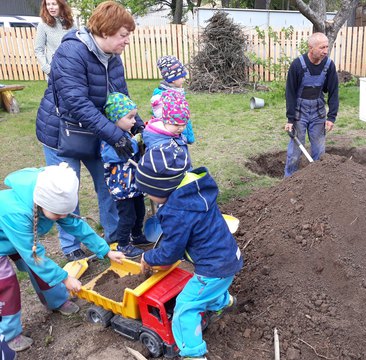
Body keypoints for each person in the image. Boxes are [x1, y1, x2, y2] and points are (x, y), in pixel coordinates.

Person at [35, 1, 144, 262]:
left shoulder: (113, 58)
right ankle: (71, 244)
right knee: (66, 191)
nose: (127, 41)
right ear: (106, 32)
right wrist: (116, 135)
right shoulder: (71, 52)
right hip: (61, 133)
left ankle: (114, 239)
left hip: (96, 131)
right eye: (123, 35)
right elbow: (77, 103)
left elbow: (121, 95)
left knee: (108, 185)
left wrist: (138, 124)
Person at [0, 163, 124, 352]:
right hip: (8, 236)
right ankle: (9, 335)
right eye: (58, 214)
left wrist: (106, 251)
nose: (63, 216)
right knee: (6, 285)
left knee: (44, 270)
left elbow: (77, 226)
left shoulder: (54, 195)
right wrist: (65, 278)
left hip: (20, 237)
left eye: (65, 212)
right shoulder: (17, 212)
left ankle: (56, 301)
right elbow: (33, 255)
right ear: (41, 204)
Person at [136, 148, 243, 360]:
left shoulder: (176, 213)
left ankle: (193, 354)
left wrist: (148, 257)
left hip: (214, 268)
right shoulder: (195, 191)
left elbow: (170, 254)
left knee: (186, 307)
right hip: (229, 256)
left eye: (148, 190)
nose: (147, 195)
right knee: (208, 290)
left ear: (162, 188)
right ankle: (226, 302)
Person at [284, 32, 339, 177]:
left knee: (320, 152)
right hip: (299, 114)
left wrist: (331, 117)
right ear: (311, 48)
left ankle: (319, 183)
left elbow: (333, 92)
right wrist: (290, 119)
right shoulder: (298, 65)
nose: (325, 51)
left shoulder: (329, 65)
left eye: (327, 47)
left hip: (318, 113)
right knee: (295, 152)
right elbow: (290, 93)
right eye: (322, 48)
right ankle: (288, 181)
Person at [101, 93, 149, 258]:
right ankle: (123, 244)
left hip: (134, 185)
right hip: (121, 187)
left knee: (140, 211)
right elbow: (114, 156)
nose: (134, 121)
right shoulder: (110, 138)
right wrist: (135, 143)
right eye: (130, 117)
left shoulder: (126, 132)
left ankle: (136, 236)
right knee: (127, 216)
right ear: (115, 119)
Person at [143, 89, 193, 170]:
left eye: (184, 125)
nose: (181, 128)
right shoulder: (159, 145)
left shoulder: (174, 134)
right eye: (176, 124)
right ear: (165, 120)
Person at [150, 55, 195, 144]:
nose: (184, 79)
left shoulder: (178, 93)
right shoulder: (163, 98)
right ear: (173, 79)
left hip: (180, 134)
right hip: (172, 139)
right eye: (182, 76)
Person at [34, 0, 76, 77]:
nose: (51, 7)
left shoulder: (71, 23)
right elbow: (38, 50)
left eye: (54, 4)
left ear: (61, 5)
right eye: (48, 4)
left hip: (72, 69)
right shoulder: (43, 25)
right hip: (54, 71)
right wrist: (48, 69)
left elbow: (77, 46)